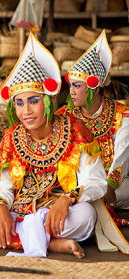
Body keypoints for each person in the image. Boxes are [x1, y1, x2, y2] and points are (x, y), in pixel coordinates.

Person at [0, 33, 107, 258]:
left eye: (34, 101)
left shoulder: (77, 130)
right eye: (19, 103)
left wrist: (66, 199)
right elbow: (2, 187)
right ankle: (52, 244)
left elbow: (96, 182)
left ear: (48, 101)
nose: (26, 111)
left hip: (58, 214)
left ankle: (24, 237)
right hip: (20, 212)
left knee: (86, 216)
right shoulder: (11, 137)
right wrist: (0, 208)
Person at [56, 30, 129, 210]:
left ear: (95, 89)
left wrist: (109, 186)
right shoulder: (65, 115)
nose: (71, 91)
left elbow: (122, 157)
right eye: (71, 85)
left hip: (113, 183)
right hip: (76, 181)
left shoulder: (122, 116)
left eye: (77, 85)